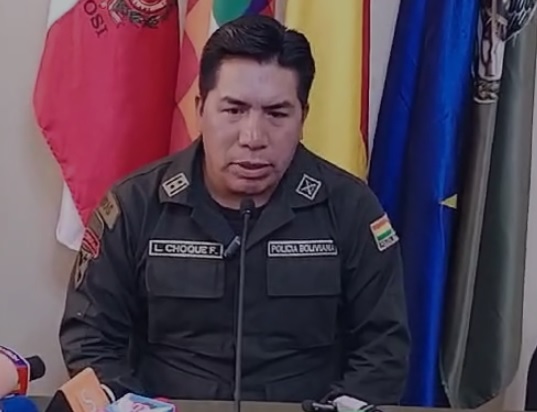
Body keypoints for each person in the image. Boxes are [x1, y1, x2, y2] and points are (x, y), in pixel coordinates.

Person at [59, 14, 410, 406]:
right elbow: (91, 340)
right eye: (234, 110)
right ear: (200, 109)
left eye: (277, 113)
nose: (253, 137)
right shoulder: (136, 205)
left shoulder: (350, 208)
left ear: (303, 117)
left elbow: (383, 349)